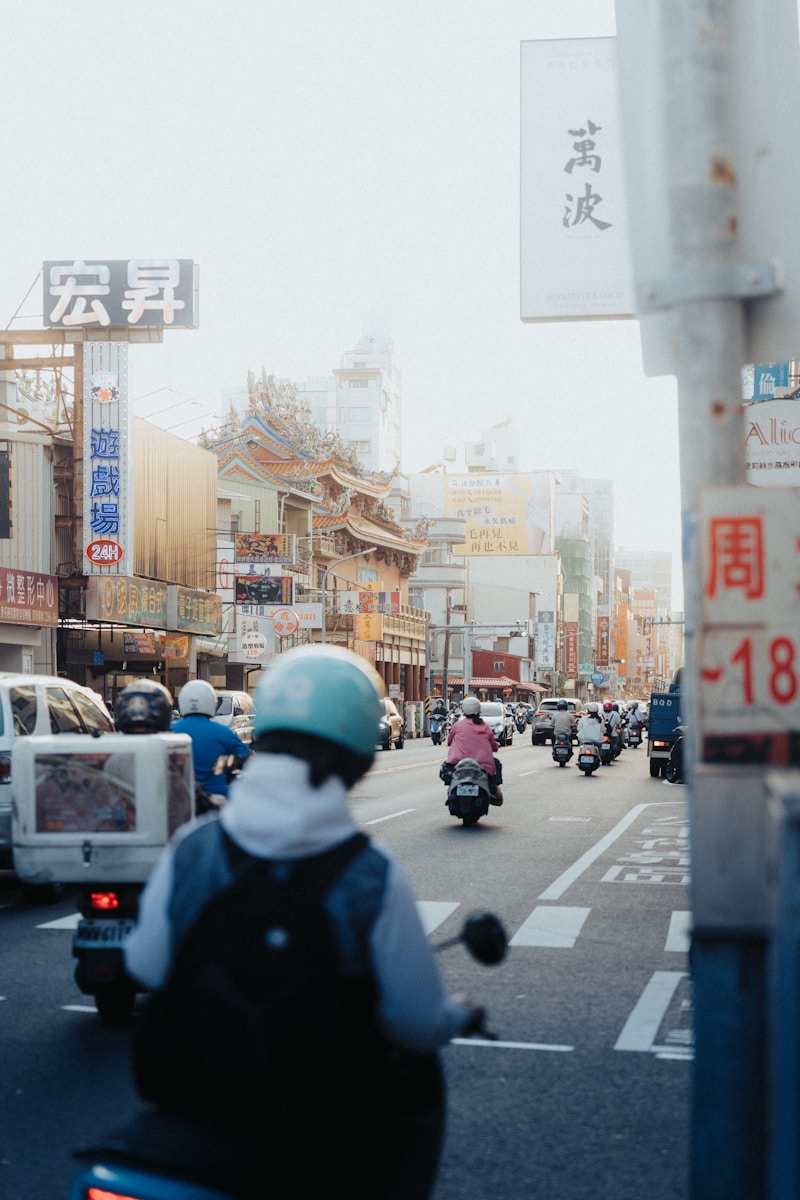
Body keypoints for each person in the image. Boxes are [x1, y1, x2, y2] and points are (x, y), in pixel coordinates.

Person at [125, 646, 485, 1199]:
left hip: (198, 1104)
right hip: (320, 1125)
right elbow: (415, 1025)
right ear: (362, 757)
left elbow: (146, 965)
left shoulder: (193, 849)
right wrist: (457, 1014)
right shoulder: (369, 874)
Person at [172, 679, 252, 808]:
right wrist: (222, 763)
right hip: (216, 803)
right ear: (212, 702)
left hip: (176, 802)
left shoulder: (168, 731)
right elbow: (250, 761)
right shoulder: (223, 732)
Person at [446, 695, 503, 803]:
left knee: (446, 770)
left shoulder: (458, 725)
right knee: (497, 765)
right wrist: (495, 747)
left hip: (458, 763)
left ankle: (451, 789)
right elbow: (494, 746)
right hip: (482, 764)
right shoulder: (485, 726)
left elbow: (449, 741)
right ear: (478, 710)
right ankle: (494, 789)